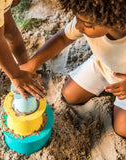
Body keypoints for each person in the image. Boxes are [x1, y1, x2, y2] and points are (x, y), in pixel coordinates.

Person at [20, 0, 126, 138]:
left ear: (114, 21)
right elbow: (63, 39)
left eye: (87, 25)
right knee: (69, 94)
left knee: (122, 128)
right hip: (103, 65)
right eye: (77, 19)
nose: (78, 26)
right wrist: (32, 64)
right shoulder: (88, 16)